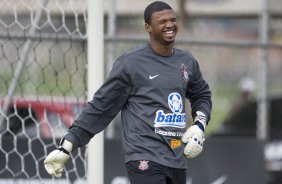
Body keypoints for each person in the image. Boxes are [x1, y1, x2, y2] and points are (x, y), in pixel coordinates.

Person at [44, 1, 212, 184]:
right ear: (148, 27)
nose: (170, 25)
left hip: (177, 158)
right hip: (144, 158)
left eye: (172, 19)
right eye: (162, 21)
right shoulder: (131, 64)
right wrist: (67, 146)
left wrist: (199, 126)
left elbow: (201, 95)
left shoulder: (186, 61)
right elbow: (101, 107)